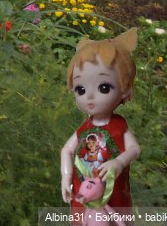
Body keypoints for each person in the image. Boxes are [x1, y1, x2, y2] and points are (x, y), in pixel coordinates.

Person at [60, 28, 140, 221]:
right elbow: (66, 151)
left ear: (125, 89)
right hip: (83, 192)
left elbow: (135, 149)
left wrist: (119, 162)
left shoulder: (119, 127)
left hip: (113, 194)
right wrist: (66, 176)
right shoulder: (85, 129)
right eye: (80, 89)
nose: (89, 96)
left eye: (104, 87)